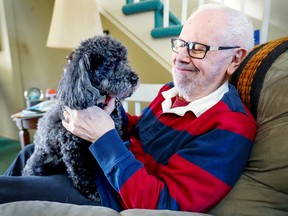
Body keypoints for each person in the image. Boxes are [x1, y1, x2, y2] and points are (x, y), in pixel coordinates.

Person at [0, 3, 257, 213]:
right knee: (30, 152)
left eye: (198, 48)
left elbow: (164, 205)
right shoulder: (172, 92)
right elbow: (140, 130)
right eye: (180, 43)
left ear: (235, 58)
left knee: (5, 191)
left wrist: (103, 136)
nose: (180, 56)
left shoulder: (230, 128)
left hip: (107, 193)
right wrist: (108, 111)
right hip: (102, 167)